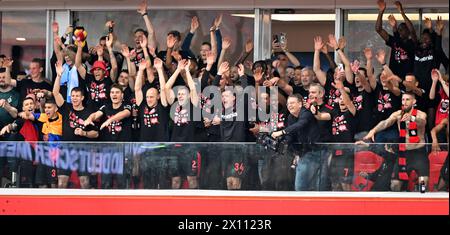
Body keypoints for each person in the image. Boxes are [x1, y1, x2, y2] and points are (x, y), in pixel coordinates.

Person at [364, 92, 428, 191]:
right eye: (403, 99)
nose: (404, 102)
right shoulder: (398, 114)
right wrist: (374, 130)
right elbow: (385, 122)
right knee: (394, 184)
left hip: (419, 153)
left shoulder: (421, 114)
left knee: (423, 185)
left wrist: (412, 118)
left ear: (414, 101)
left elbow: (422, 122)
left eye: (407, 99)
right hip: (404, 154)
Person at [53, 61, 99, 189]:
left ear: (82, 97)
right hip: (65, 150)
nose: (74, 98)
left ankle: (87, 209)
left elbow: (96, 133)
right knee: (61, 183)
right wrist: (58, 76)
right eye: (72, 96)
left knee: (85, 183)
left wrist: (84, 133)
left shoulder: (89, 113)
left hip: (82, 151)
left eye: (77, 96)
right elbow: (56, 93)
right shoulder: (66, 108)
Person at [271, 94, 320, 191]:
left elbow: (300, 125)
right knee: (301, 186)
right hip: (303, 153)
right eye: (288, 103)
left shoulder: (306, 113)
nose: (289, 105)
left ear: (300, 104)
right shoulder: (290, 117)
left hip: (314, 152)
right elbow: (291, 136)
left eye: (292, 103)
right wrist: (282, 143)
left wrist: (282, 132)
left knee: (304, 186)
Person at [375, 0, 415, 79]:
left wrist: (401, 12)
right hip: (393, 77)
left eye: (402, 29)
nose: (399, 31)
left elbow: (412, 30)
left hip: (407, 79)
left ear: (407, 31)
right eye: (399, 29)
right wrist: (381, 12)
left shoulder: (412, 42)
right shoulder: (394, 40)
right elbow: (378, 29)